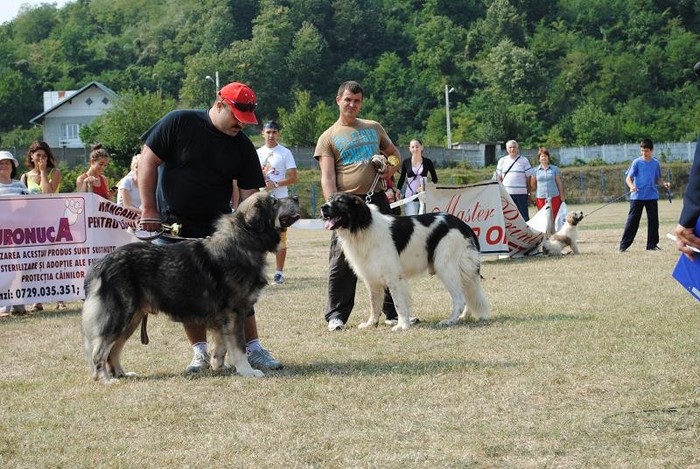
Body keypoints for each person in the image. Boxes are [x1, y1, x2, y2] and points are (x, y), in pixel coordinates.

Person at [138, 81, 282, 372]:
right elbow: (148, 161)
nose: (241, 126)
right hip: (174, 225)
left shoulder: (241, 146)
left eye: (246, 122)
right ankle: (200, 353)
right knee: (186, 290)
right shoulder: (179, 122)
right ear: (220, 105)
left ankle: (252, 349)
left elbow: (249, 196)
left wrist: (251, 236)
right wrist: (149, 208)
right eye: (237, 119)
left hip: (220, 232)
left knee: (239, 289)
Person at [315, 80, 405, 331]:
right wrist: (333, 206)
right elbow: (328, 176)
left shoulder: (374, 128)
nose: (352, 105)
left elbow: (394, 152)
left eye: (356, 101)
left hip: (375, 200)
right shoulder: (328, 137)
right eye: (347, 100)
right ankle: (337, 316)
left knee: (387, 256)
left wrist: (390, 168)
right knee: (341, 261)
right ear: (338, 100)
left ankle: (392, 313)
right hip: (346, 205)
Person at [21, 141, 66, 311]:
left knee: (56, 259)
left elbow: (48, 193)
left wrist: (42, 173)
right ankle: (36, 300)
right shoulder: (25, 177)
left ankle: (60, 299)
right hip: (33, 225)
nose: (41, 158)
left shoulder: (55, 172)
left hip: (53, 221)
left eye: (44, 156)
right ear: (31, 156)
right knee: (35, 261)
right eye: (38, 155)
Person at [256, 120, 298, 284]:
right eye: (268, 132)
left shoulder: (285, 153)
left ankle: (279, 273)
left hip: (280, 201)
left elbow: (294, 177)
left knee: (280, 238)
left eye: (274, 132)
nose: (271, 135)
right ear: (263, 133)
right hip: (261, 201)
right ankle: (260, 272)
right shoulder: (257, 153)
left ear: (278, 134)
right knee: (260, 237)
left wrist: (277, 184)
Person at [619, 138, 671, 252]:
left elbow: (658, 179)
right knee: (633, 221)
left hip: (651, 196)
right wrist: (631, 186)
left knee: (653, 221)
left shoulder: (655, 163)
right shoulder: (637, 162)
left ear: (651, 150)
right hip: (637, 196)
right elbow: (628, 178)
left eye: (646, 151)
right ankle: (623, 246)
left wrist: (664, 184)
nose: (644, 153)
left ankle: (652, 245)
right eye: (642, 151)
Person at [0, 151, 28, 316]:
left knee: (19, 268)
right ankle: (3, 304)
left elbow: (30, 206)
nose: (3, 166)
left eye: (7, 163)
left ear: (12, 167)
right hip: (1, 237)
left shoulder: (20, 185)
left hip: (20, 236)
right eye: (0, 163)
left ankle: (18, 302)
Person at [397, 138, 438, 215]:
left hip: (424, 196)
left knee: (424, 221)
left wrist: (425, 187)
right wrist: (398, 190)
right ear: (409, 149)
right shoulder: (406, 162)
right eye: (412, 147)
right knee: (412, 220)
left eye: (417, 146)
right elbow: (402, 178)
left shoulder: (428, 162)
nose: (415, 149)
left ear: (422, 147)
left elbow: (435, 180)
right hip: (410, 196)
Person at [496, 139, 532, 221]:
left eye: (514, 147)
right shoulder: (502, 161)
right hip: (507, 194)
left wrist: (529, 192)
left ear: (517, 148)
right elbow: (499, 178)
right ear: (507, 149)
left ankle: (526, 233)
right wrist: (500, 192)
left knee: (524, 216)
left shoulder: (524, 160)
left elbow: (528, 178)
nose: (512, 149)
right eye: (510, 147)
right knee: (508, 217)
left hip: (521, 194)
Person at [529, 147, 565, 222]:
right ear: (539, 158)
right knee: (543, 217)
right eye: (542, 156)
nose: (543, 158)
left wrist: (562, 195)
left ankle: (555, 232)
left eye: (545, 156)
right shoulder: (535, 170)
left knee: (555, 216)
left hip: (554, 196)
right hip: (541, 197)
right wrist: (534, 195)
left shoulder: (555, 169)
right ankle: (545, 233)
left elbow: (559, 183)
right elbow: (533, 185)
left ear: (548, 157)